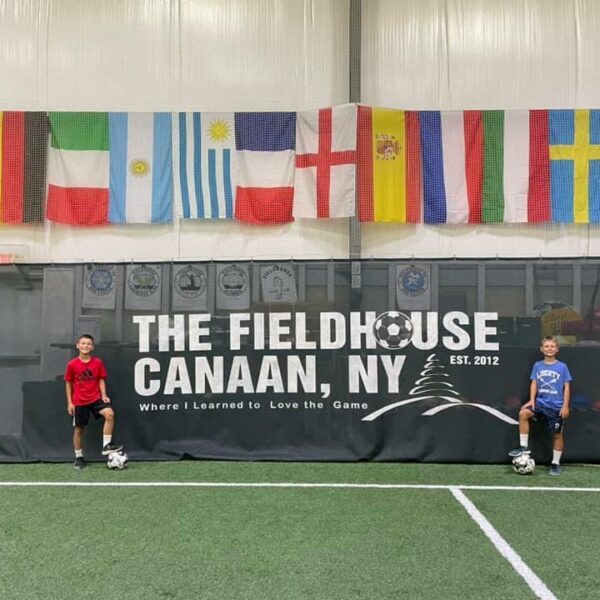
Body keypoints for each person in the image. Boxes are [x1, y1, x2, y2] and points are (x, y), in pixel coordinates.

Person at [508, 335, 572, 476]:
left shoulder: (562, 367)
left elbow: (566, 387)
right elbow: (534, 383)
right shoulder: (538, 365)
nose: (549, 349)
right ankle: (523, 447)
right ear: (541, 349)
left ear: (557, 349)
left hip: (556, 405)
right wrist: (532, 400)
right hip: (540, 403)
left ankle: (555, 463)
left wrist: (565, 406)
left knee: (557, 435)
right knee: (523, 413)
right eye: (546, 346)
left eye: (552, 346)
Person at [65, 334, 122, 469]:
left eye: (88, 344)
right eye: (83, 343)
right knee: (79, 430)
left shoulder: (97, 362)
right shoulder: (72, 364)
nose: (86, 346)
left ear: (92, 347)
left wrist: (104, 395)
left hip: (96, 399)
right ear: (78, 345)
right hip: (79, 402)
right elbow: (68, 383)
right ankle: (79, 457)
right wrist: (70, 402)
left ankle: (106, 445)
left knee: (110, 414)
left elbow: (101, 379)